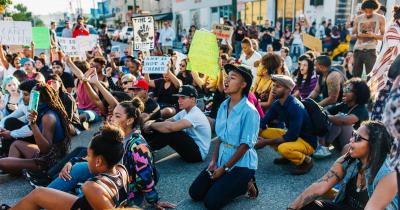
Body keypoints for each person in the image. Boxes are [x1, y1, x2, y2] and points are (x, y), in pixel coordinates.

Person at [1, 124, 129, 210]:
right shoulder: (121, 170)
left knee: (38, 194)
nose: (86, 158)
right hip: (83, 204)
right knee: (39, 192)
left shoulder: (91, 187)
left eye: (88, 155)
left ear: (99, 161)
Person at [189, 64, 259, 209]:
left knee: (211, 202)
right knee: (195, 193)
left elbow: (245, 146)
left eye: (232, 78)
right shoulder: (223, 105)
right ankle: (229, 182)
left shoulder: (250, 111)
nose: (226, 80)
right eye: (227, 77)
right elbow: (220, 138)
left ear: (243, 84)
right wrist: (214, 161)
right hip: (222, 158)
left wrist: (225, 169)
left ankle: (246, 183)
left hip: (242, 164)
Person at [288, 121, 398, 210]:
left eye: (357, 138)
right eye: (353, 135)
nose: (351, 140)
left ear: (373, 145)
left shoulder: (388, 175)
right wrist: (291, 208)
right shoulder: (349, 160)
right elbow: (319, 186)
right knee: (309, 206)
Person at [0, 82, 71, 175]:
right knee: (16, 143)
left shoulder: (48, 117)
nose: (23, 97)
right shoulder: (42, 111)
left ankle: (15, 167)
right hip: (46, 155)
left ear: (39, 98)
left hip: (50, 162)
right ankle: (14, 169)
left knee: (1, 162)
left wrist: (33, 124)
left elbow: (46, 150)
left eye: (32, 95)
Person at [256, 75, 316, 175]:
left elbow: (291, 136)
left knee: (283, 148)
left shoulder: (295, 106)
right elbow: (264, 122)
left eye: (278, 86)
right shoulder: (277, 104)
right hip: (294, 137)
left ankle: (307, 161)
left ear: (288, 90)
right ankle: (288, 157)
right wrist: (255, 137)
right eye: (274, 85)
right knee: (265, 132)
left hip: (307, 142)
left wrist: (265, 142)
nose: (273, 89)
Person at [143, 85, 211, 163]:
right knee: (160, 121)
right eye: (178, 97)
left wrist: (151, 125)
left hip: (198, 155)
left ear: (193, 99)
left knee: (172, 131)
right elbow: (167, 121)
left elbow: (170, 127)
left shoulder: (195, 114)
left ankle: (145, 151)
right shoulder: (185, 111)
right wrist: (153, 123)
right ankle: (141, 145)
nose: (179, 100)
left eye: (183, 97)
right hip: (191, 148)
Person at [314, 78, 370, 158]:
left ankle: (324, 147)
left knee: (341, 120)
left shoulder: (361, 109)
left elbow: (345, 121)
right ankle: (322, 147)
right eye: (345, 88)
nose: (344, 91)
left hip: (354, 145)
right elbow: (326, 112)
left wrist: (325, 116)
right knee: (327, 116)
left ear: (358, 94)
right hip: (341, 143)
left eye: (348, 90)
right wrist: (320, 114)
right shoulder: (344, 104)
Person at [352, 0, 385, 78]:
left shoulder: (380, 18)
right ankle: (355, 90)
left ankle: (370, 90)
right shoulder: (358, 18)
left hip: (371, 51)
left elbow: (384, 37)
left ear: (375, 9)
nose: (368, 13)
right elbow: (352, 35)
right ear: (363, 9)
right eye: (366, 11)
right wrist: (359, 35)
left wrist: (372, 35)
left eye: (370, 11)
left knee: (371, 78)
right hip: (358, 51)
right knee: (355, 78)